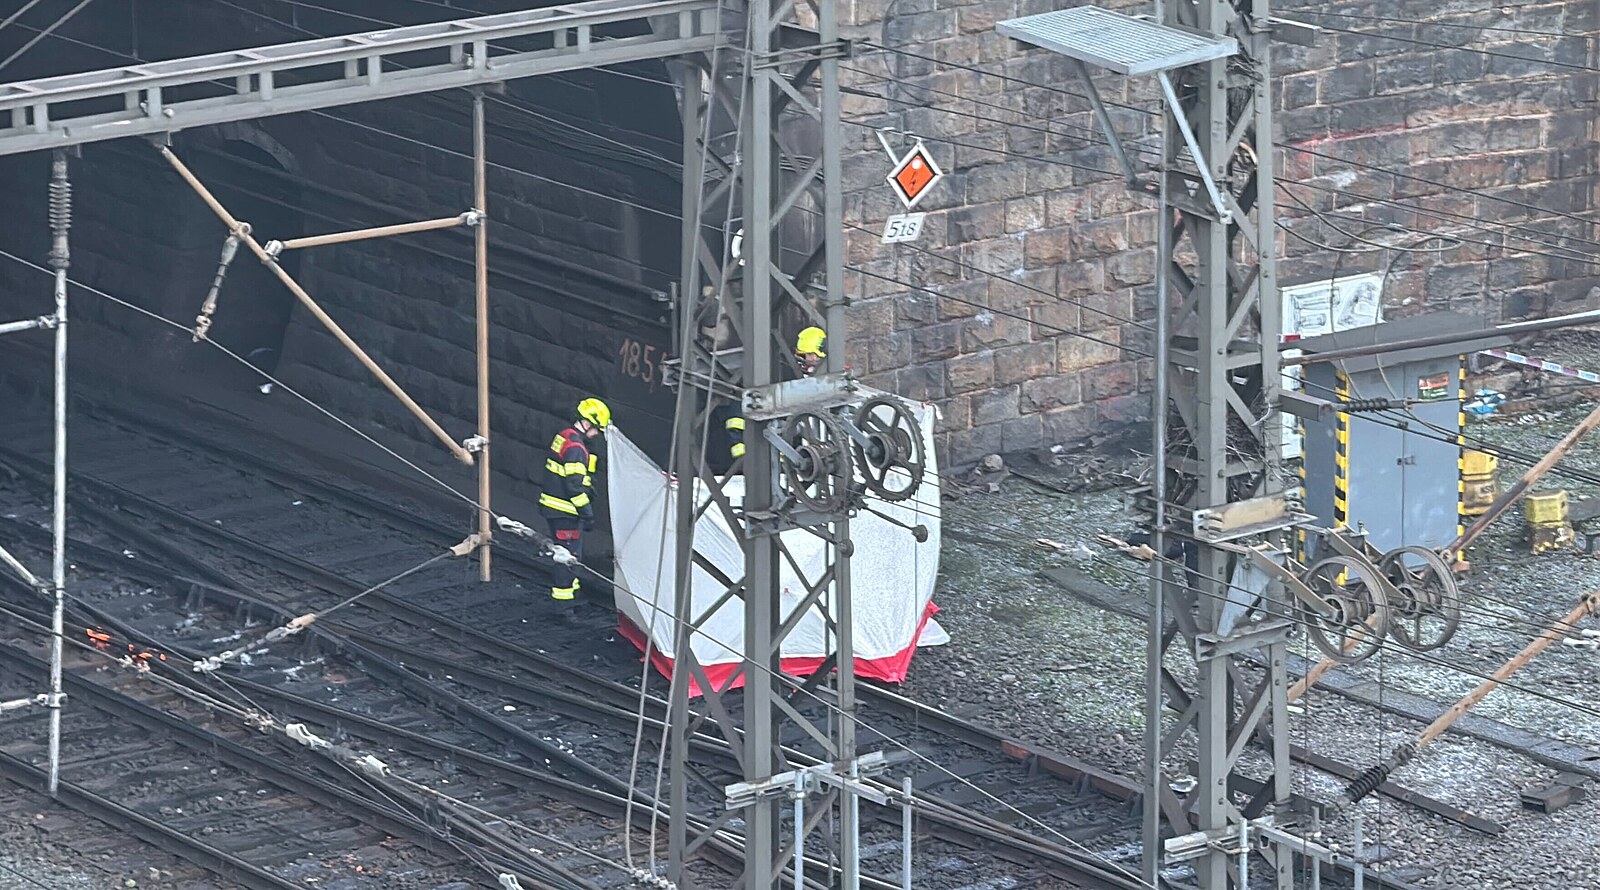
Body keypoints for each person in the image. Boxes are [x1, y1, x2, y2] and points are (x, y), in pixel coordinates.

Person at [711, 326, 827, 473]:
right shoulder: (784, 372)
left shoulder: (808, 377)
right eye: (810, 355)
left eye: (816, 356)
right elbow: (737, 423)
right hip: (753, 456)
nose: (813, 359)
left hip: (791, 458)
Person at [538, 397, 610, 601]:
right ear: (587, 423)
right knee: (567, 559)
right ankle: (564, 607)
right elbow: (574, 487)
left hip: (553, 507)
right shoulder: (577, 449)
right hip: (566, 512)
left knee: (570, 556)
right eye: (596, 429)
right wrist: (587, 514)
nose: (597, 434)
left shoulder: (564, 437)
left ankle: (573, 596)